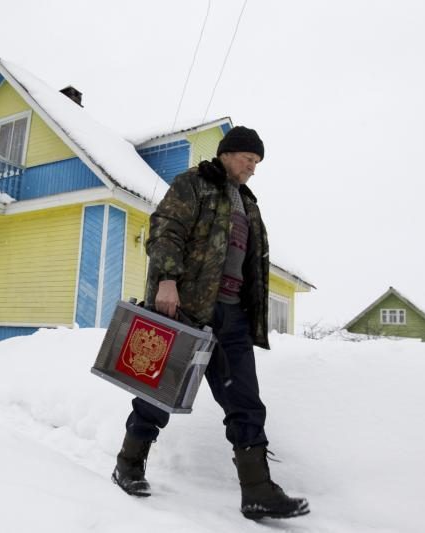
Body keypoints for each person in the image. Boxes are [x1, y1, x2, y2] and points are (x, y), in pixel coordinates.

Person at [111, 126, 310, 520]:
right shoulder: (194, 184)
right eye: (248, 160)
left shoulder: (248, 204)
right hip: (186, 308)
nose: (253, 169)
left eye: (257, 164)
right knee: (160, 393)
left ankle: (257, 491)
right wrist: (167, 280)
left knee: (246, 401)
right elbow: (166, 229)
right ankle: (128, 465)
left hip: (232, 316)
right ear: (226, 153)